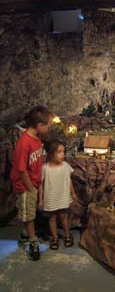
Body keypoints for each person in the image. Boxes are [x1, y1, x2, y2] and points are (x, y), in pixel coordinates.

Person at [11, 106, 52, 260]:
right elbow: (21, 170)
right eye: (48, 125)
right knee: (29, 215)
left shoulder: (36, 140)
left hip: (33, 183)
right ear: (40, 125)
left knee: (28, 211)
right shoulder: (24, 143)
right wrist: (30, 188)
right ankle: (32, 241)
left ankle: (24, 234)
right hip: (25, 186)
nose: (49, 127)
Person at [39, 140, 78, 250]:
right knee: (52, 218)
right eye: (59, 152)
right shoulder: (45, 168)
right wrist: (41, 200)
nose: (62, 154)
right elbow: (40, 185)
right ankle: (55, 238)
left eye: (63, 151)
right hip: (51, 197)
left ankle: (67, 235)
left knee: (64, 217)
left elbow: (68, 180)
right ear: (51, 154)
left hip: (63, 196)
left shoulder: (65, 166)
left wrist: (73, 193)